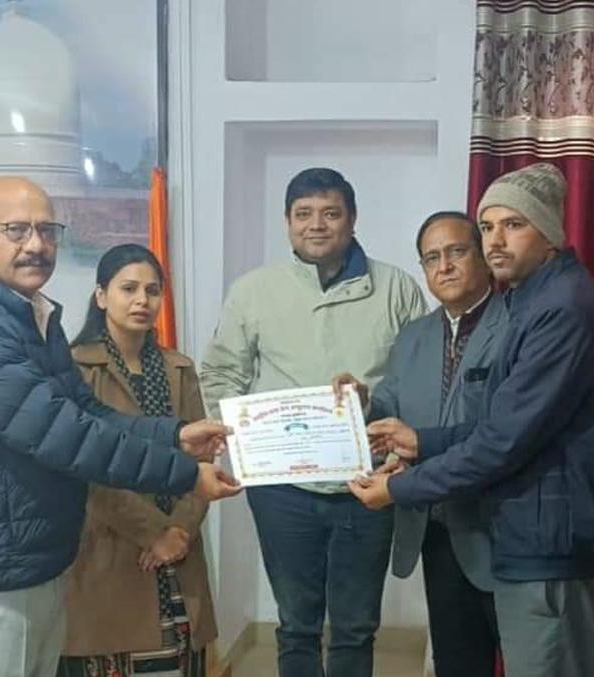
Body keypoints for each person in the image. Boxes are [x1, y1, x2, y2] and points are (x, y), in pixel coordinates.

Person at [0, 177, 241, 677]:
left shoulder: (30, 319)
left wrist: (174, 436)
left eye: (47, 230)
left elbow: (86, 412)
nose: (36, 245)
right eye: (16, 230)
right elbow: (68, 437)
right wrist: (187, 474)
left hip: (30, 562)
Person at [351, 164, 594, 677]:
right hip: (527, 537)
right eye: (487, 226)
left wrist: (398, 488)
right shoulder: (536, 300)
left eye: (514, 224)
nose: (496, 241)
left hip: (550, 543)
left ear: (549, 231)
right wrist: (421, 441)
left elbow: (502, 442)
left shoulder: (560, 310)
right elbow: (499, 424)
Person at [201, 167, 427, 676]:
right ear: (287, 222)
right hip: (282, 489)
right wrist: (243, 439)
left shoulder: (396, 288)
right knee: (297, 624)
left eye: (330, 213)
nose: (316, 225)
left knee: (355, 626)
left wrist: (392, 446)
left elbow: (418, 381)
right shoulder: (254, 291)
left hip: (368, 487)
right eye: (303, 214)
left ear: (352, 219)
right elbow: (221, 373)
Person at [335, 211, 504, 677]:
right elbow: (391, 406)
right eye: (431, 258)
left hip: (502, 527)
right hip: (436, 527)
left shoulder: (517, 324)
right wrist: (362, 403)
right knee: (458, 663)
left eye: (456, 252)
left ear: (483, 257)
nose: (444, 267)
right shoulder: (414, 336)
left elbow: (509, 431)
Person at [59, 244, 217, 677]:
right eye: (128, 289)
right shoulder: (75, 369)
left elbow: (203, 460)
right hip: (109, 547)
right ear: (101, 296)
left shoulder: (179, 368)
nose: (141, 300)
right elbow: (82, 467)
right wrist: (153, 533)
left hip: (179, 552)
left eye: (152, 290)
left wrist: (180, 530)